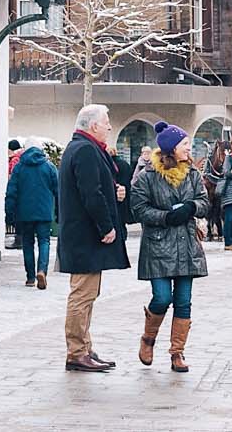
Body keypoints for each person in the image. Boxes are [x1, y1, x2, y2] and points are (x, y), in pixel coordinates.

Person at [130, 124, 209, 373]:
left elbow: (204, 201)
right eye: (185, 144)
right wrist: (165, 217)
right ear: (172, 148)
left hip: (186, 245)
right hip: (158, 245)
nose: (189, 148)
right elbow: (138, 209)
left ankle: (177, 353)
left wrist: (192, 208)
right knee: (162, 298)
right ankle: (148, 338)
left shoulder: (193, 174)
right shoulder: (148, 176)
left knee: (183, 301)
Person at [57, 103, 129, 374]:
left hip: (83, 237)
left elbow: (96, 187)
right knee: (82, 295)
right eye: (107, 122)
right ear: (93, 125)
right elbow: (91, 193)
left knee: (88, 293)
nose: (110, 127)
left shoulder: (82, 148)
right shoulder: (85, 150)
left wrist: (116, 192)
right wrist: (106, 226)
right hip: (85, 237)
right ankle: (76, 351)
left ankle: (85, 348)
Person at [6, 141, 59, 288]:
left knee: (28, 243)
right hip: (44, 212)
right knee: (44, 241)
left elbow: (11, 192)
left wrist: (9, 213)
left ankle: (30, 277)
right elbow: (58, 191)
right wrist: (59, 211)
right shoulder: (49, 167)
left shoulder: (19, 168)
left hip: (25, 213)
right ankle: (42, 270)